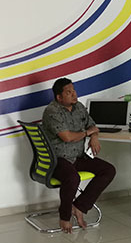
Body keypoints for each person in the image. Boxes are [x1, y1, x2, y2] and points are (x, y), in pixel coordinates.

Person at [41, 78, 116, 233]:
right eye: (69, 92)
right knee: (72, 178)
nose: (74, 95)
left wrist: (94, 137)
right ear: (59, 97)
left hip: (78, 156)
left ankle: (79, 206)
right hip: (58, 159)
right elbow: (67, 137)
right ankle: (64, 216)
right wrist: (88, 133)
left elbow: (92, 125)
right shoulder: (52, 111)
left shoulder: (79, 107)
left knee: (108, 170)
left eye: (74, 91)